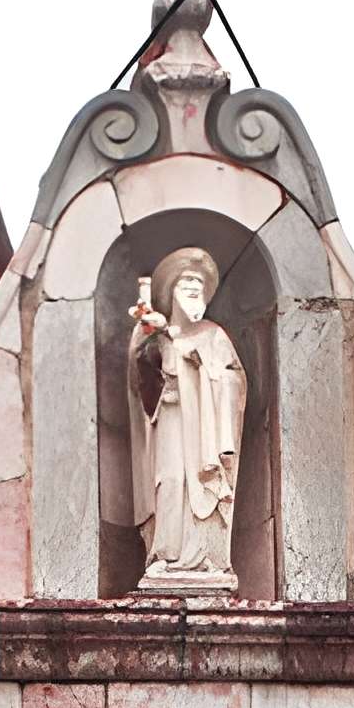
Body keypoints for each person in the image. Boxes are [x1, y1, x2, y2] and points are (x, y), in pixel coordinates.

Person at [127, 247, 245, 586]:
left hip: (203, 427)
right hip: (169, 418)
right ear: (171, 292)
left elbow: (235, 380)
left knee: (200, 481)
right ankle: (164, 554)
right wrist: (151, 341)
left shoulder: (213, 334)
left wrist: (204, 368)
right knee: (169, 481)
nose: (194, 287)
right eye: (186, 283)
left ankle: (206, 558)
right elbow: (138, 383)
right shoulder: (152, 330)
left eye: (199, 285)